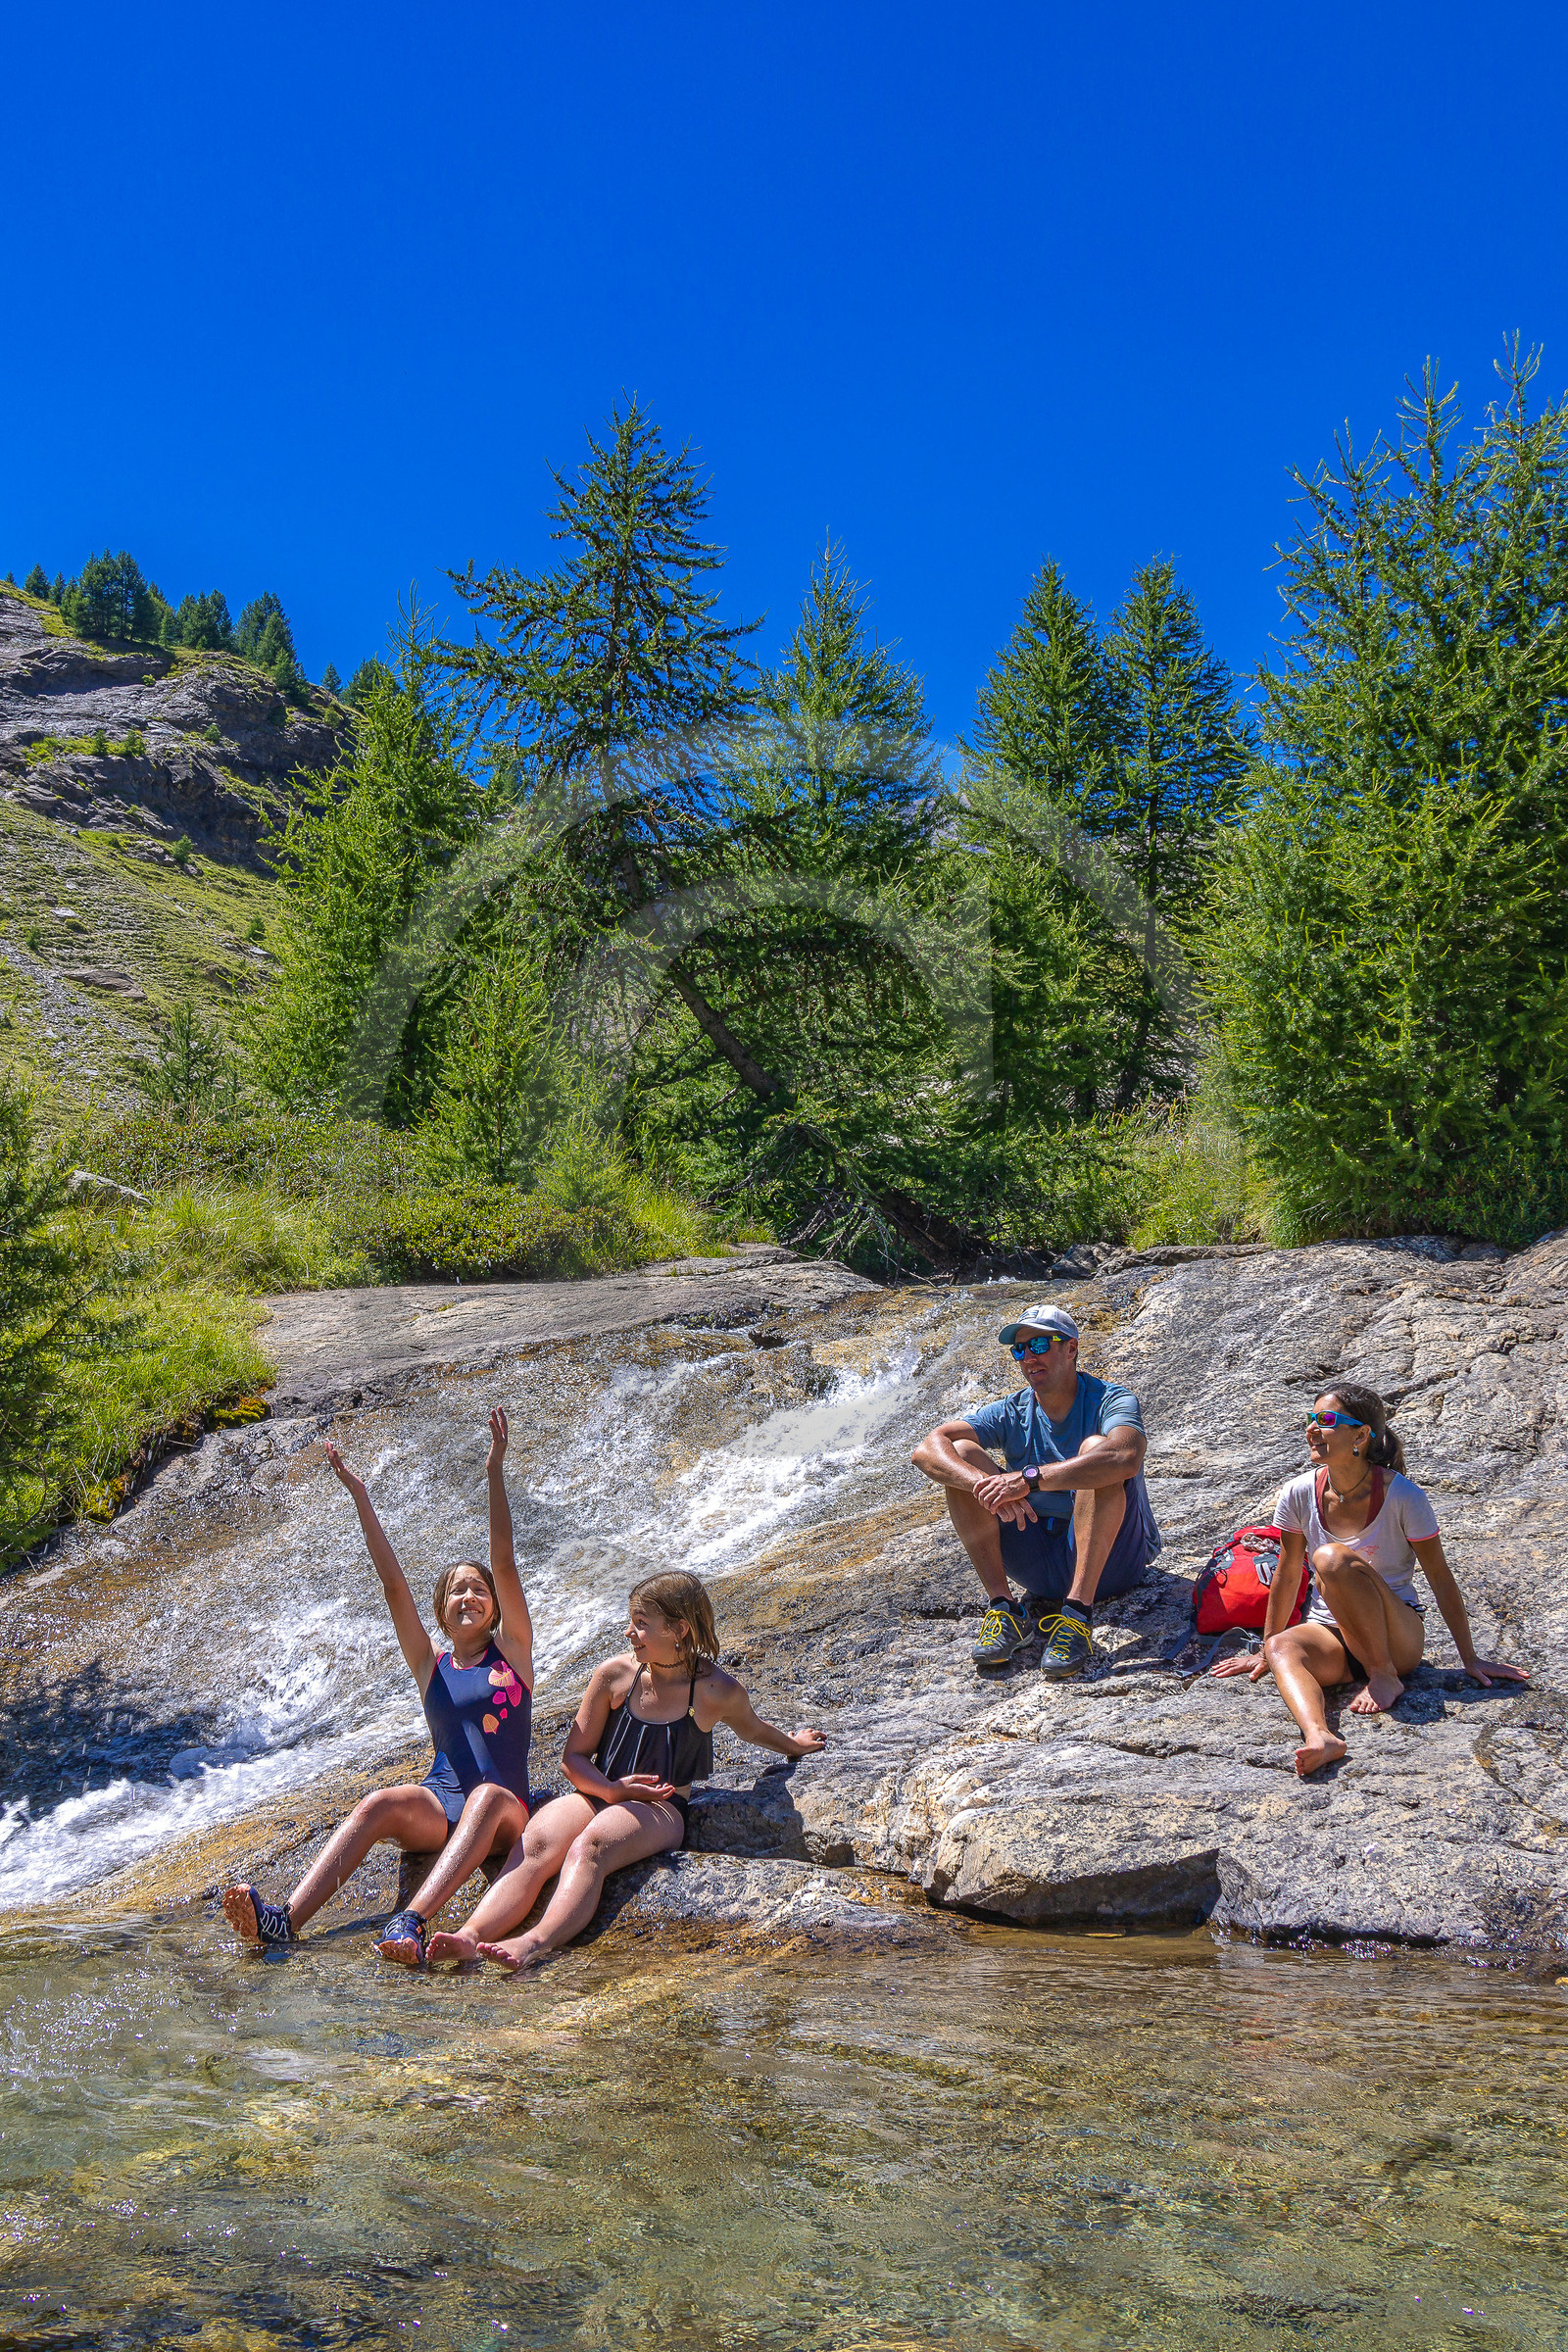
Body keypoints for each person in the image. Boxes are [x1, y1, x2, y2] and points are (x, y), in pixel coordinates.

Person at [221, 1406, 535, 1962]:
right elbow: (393, 1585)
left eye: (477, 1590)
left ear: (493, 1607)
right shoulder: (430, 1667)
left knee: (486, 1796)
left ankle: (410, 1921)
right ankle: (284, 1921)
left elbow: (505, 1563)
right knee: (377, 1803)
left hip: (505, 1808)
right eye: (455, 1591)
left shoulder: (512, 1654)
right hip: (442, 1806)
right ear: (441, 1613)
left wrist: (494, 1470)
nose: (468, 1596)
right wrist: (360, 1496)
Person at [424, 1571, 825, 1974]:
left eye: (641, 1624)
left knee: (590, 1847)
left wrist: (794, 1745)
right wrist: (611, 1789)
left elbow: (753, 1729)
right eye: (631, 1622)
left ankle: (533, 1942)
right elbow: (573, 1759)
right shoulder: (616, 1675)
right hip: (598, 1791)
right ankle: (470, 1935)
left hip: (661, 1809)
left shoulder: (714, 1691)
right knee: (536, 1842)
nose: (630, 1634)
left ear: (679, 1629)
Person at [1211, 1381, 1529, 1774]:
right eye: (1310, 1419)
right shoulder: (1297, 1493)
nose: (1312, 1428)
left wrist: (1469, 1657)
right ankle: (1320, 1737)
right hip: (1332, 1637)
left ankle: (1383, 1675)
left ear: (1361, 1435)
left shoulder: (1404, 1496)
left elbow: (1440, 1577)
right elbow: (1288, 1573)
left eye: (1325, 1420)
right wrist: (1264, 1647)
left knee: (1330, 1560)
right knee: (1282, 1649)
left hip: (1397, 1638)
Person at [910, 1301, 1161, 1677]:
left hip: (1112, 1562)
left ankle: (1077, 1615)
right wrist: (986, 1486)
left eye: (1040, 1345)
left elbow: (1125, 1456)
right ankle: (1005, 1609)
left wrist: (1027, 1480)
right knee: (961, 1455)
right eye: (1020, 1349)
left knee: (1097, 1453)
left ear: (1071, 1347)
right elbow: (926, 1450)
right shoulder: (1012, 1409)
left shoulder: (1111, 1398)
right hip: (1037, 1560)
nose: (1028, 1356)